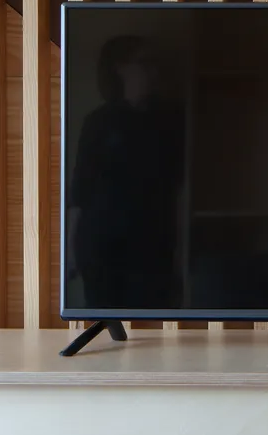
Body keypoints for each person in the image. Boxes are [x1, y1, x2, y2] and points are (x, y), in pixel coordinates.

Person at [66, 33, 185, 311]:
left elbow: (179, 188)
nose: (154, 71)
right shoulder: (98, 122)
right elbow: (81, 190)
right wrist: (70, 252)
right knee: (104, 316)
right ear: (120, 68)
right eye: (145, 62)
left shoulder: (171, 119)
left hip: (151, 245)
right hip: (101, 244)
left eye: (155, 63)